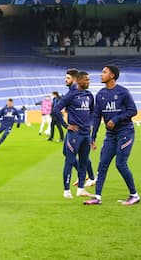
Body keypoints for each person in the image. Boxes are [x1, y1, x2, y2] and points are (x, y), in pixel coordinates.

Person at [85, 65, 140, 206]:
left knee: (120, 164)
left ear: (112, 75)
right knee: (102, 164)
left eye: (104, 72)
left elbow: (133, 111)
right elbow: (96, 117)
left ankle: (134, 195)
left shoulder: (123, 92)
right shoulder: (101, 94)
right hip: (111, 135)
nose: (101, 74)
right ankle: (97, 197)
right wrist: (93, 137)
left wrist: (116, 119)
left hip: (125, 132)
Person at [51, 71, 94, 199]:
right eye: (86, 80)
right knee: (69, 161)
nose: (88, 82)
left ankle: (81, 189)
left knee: (83, 162)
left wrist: (90, 124)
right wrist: (66, 126)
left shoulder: (89, 95)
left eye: (89, 80)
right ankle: (66, 190)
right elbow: (55, 110)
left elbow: (92, 111)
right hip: (74, 134)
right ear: (79, 81)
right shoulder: (70, 95)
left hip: (86, 134)